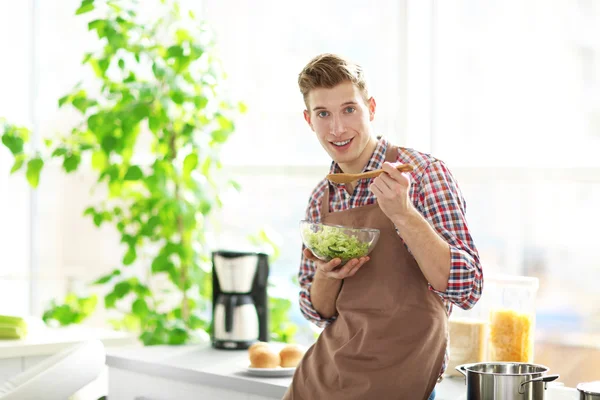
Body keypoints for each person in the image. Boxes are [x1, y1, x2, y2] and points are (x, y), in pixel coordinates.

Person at [282, 54, 484, 400]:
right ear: (308, 120)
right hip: (324, 382)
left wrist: (403, 214)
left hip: (403, 381)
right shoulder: (321, 198)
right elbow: (315, 310)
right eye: (323, 114)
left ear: (371, 108)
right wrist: (328, 276)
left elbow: (468, 287)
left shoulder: (421, 174)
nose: (337, 129)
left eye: (349, 109)